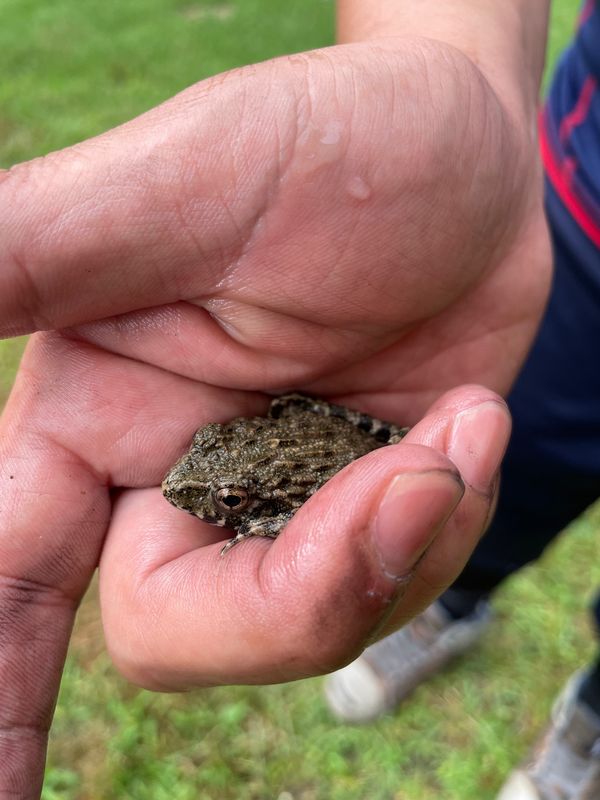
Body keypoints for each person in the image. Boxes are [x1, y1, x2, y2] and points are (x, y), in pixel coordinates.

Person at [0, 1, 553, 797]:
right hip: (568, 189)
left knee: (492, 473)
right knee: (505, 489)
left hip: (351, 439)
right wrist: (476, 76)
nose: (187, 490)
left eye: (217, 496)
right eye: (202, 473)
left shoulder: (265, 476)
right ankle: (461, 603)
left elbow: (289, 500)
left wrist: (258, 515)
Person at [325, 3, 600, 798]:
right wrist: (438, 70)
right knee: (501, 456)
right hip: (582, 232)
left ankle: (593, 717)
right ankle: (455, 601)